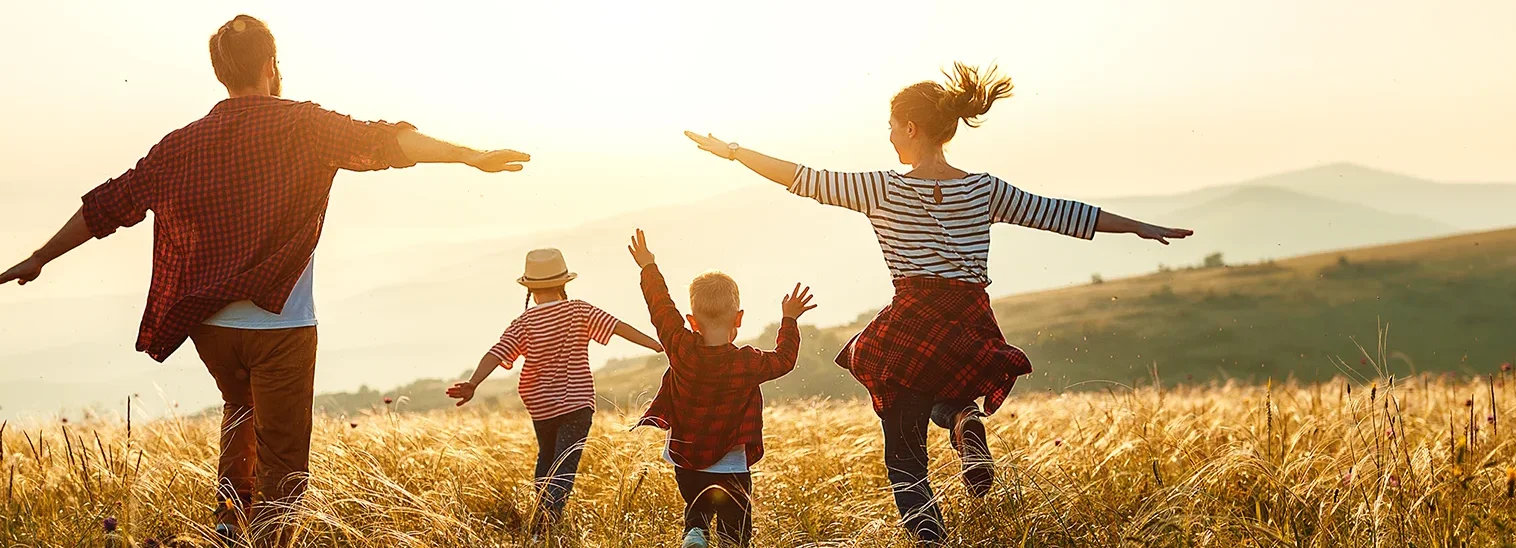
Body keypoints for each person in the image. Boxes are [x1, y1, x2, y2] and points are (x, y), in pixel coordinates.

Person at [0, 14, 530, 545]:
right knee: (284, 462)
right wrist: (469, 157)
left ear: (220, 72)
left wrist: (39, 256)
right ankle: (263, 542)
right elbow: (387, 142)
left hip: (210, 329)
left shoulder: (181, 144)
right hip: (281, 326)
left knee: (239, 414)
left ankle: (227, 528)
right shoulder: (304, 125)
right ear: (271, 63)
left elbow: (110, 204)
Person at [682, 61, 1192, 545]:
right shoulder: (984, 189)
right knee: (949, 387)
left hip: (913, 317)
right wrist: (1137, 226)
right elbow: (1059, 213)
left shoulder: (882, 189)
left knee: (904, 457)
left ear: (910, 128)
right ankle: (965, 421)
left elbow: (802, 178)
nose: (886, 136)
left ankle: (931, 538)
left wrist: (733, 152)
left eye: (889, 126)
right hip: (969, 317)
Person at [445, 248, 663, 538]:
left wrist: (473, 383)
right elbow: (617, 327)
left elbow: (496, 354)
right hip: (577, 404)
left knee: (546, 461)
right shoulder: (579, 310)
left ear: (531, 289)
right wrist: (657, 344)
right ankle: (544, 527)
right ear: (563, 283)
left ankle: (539, 524)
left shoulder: (523, 323)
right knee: (563, 468)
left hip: (541, 407)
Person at [625, 229, 809, 548]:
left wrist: (648, 267)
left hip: (686, 459)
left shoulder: (681, 347)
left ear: (691, 321)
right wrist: (789, 319)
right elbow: (785, 359)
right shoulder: (748, 363)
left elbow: (661, 309)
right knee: (734, 532)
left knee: (697, 505)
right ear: (738, 319)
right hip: (732, 465)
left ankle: (695, 531)